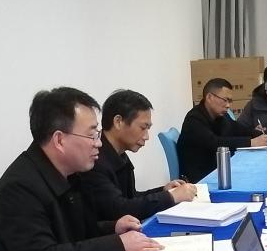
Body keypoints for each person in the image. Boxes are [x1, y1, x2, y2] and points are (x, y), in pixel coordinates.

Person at [0, 87, 164, 251]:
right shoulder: (19, 189)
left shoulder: (69, 174)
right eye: (92, 135)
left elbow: (76, 234)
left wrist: (113, 228)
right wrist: (117, 244)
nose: (98, 143)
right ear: (59, 140)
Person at [79, 89, 198, 222]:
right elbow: (119, 209)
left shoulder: (120, 154)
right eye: (143, 128)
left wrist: (164, 191)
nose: (146, 136)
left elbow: (131, 197)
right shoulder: (94, 160)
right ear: (118, 122)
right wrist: (171, 197)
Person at [177, 78, 267, 182]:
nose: (228, 105)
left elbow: (237, 128)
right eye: (225, 100)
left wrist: (259, 134)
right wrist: (251, 142)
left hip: (217, 170)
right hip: (200, 178)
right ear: (209, 97)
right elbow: (215, 143)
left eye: (230, 101)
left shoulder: (220, 116)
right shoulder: (194, 119)